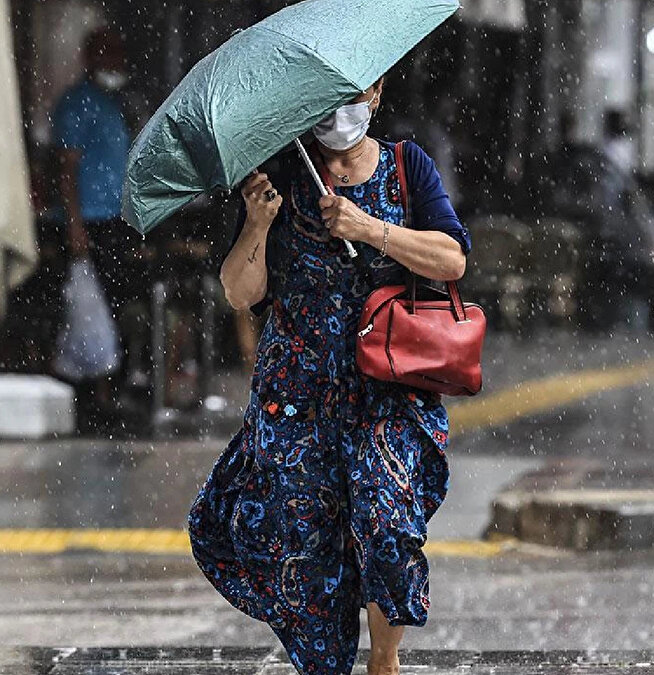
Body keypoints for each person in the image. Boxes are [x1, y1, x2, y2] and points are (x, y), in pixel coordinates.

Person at [188, 78, 471, 675]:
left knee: (387, 520)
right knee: (304, 543)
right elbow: (240, 292)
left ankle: (383, 662)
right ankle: (325, 664)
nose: (339, 111)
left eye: (354, 94)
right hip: (298, 391)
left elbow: (452, 259)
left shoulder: (405, 165)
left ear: (376, 95)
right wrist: (258, 224)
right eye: (326, 97)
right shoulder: (285, 173)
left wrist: (370, 229)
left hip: (387, 383)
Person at [52, 27, 139, 431]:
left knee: (113, 306)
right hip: (89, 220)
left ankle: (110, 390)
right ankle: (92, 396)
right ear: (90, 58)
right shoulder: (76, 104)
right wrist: (74, 229)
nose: (116, 64)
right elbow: (65, 170)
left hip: (114, 218)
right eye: (109, 56)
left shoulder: (112, 103)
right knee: (90, 308)